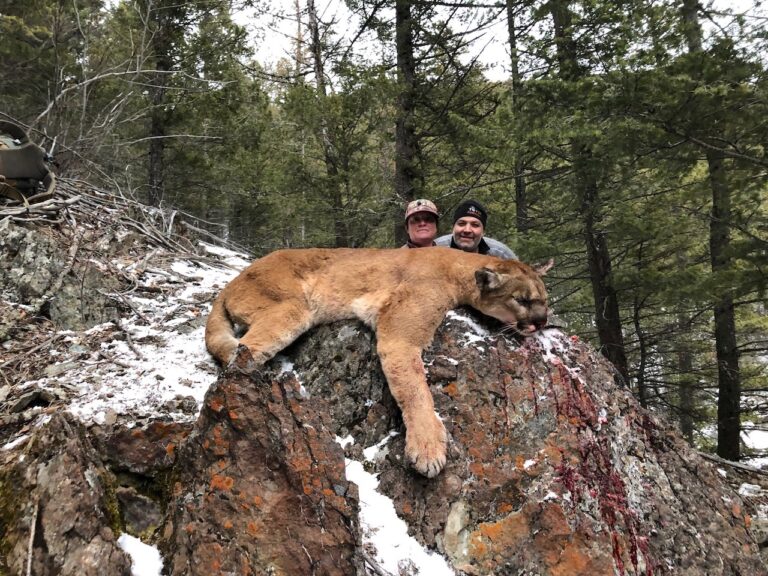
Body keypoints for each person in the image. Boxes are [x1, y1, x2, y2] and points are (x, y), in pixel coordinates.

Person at [435, 199, 517, 259]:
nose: (467, 230)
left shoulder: (501, 253)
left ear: (483, 231)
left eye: (475, 225)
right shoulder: (436, 248)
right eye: (461, 223)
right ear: (453, 227)